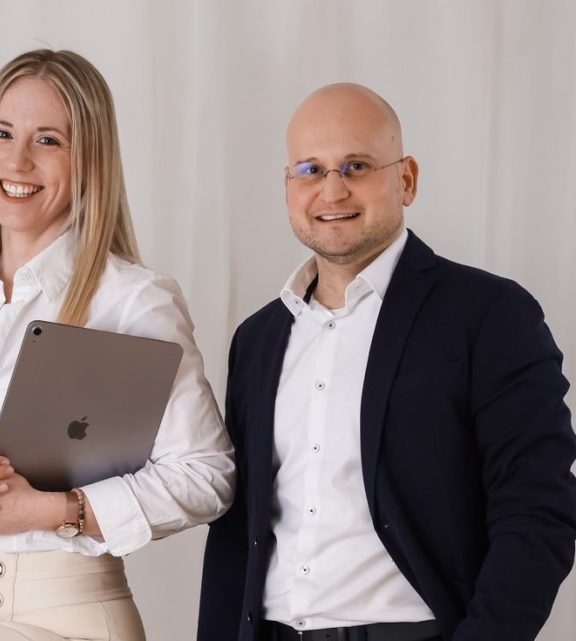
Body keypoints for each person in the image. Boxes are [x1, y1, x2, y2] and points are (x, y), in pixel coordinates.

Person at [0, 49, 234, 641]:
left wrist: (55, 510)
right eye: (2, 133)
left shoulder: (133, 301)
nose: (17, 161)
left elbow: (207, 474)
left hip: (58, 616)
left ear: (89, 160)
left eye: (48, 141)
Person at [198, 83, 576, 641]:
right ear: (288, 187)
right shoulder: (257, 338)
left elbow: (537, 509)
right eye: (310, 170)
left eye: (356, 166)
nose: (332, 190)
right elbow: (238, 532)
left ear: (407, 179)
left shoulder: (489, 315)